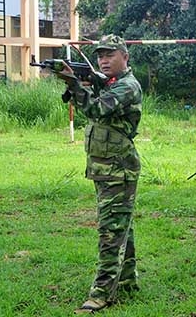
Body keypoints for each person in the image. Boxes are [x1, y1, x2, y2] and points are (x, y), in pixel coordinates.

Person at [57, 34, 143, 314]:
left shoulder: (127, 87)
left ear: (125, 57)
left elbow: (96, 109)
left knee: (110, 232)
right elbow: (100, 88)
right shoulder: (112, 83)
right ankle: (127, 281)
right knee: (121, 227)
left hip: (117, 169)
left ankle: (101, 294)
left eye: (110, 55)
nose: (104, 60)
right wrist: (83, 81)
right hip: (106, 167)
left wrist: (73, 82)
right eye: (100, 56)